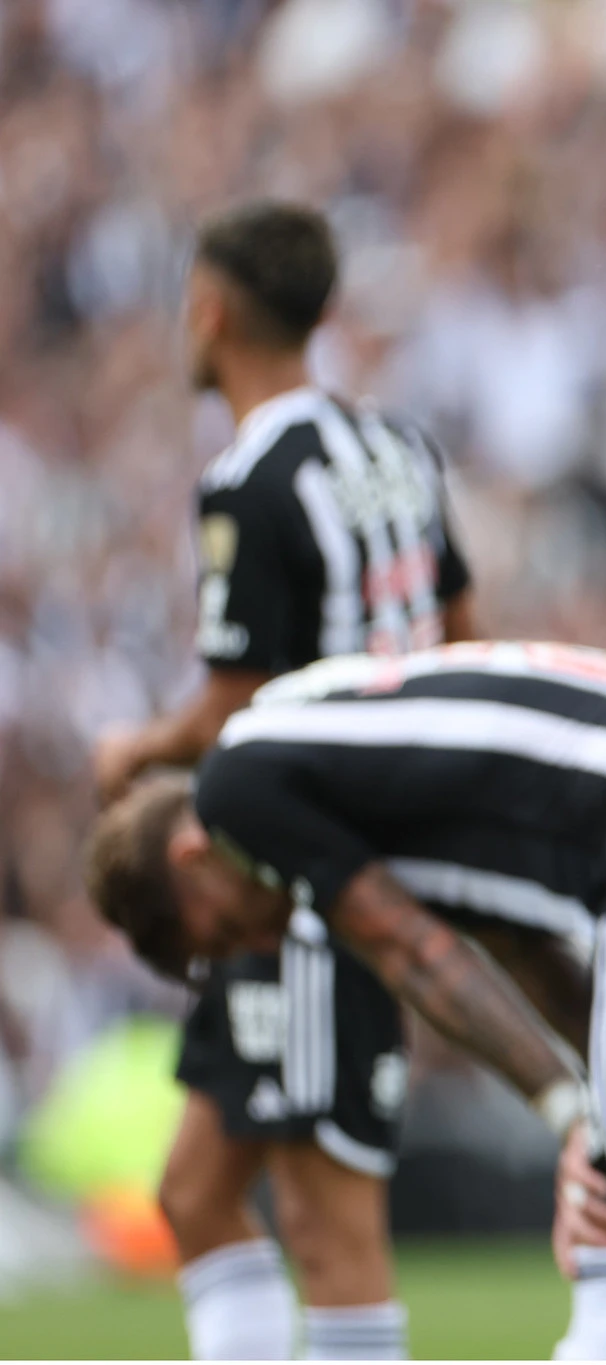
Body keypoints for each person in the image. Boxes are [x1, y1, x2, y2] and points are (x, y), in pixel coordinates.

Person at [85, 641, 606, 1361]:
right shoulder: (348, 750)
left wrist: (577, 1118)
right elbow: (521, 947)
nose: (253, 942)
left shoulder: (236, 787)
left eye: (217, 933)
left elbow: (413, 954)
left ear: (191, 858)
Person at [88, 200, 476, 1360]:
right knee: (197, 1193)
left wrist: (137, 751)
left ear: (208, 311)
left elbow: (231, 703)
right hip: (365, 846)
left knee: (327, 1223)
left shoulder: (248, 479)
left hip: (308, 873)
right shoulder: (395, 446)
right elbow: (464, 630)